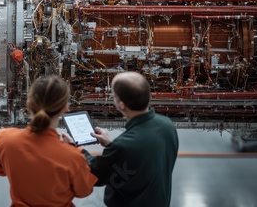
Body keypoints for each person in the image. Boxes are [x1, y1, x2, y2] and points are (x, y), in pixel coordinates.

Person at [65, 71, 179, 207]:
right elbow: (139, 156)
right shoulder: (167, 125)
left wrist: (74, 148)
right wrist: (111, 145)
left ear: (121, 105)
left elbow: (96, 174)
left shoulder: (123, 146)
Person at [0, 75, 98, 206]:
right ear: (65, 108)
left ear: (29, 104)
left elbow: (0, 171)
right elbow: (84, 191)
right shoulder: (73, 157)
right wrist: (72, 148)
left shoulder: (4, 139)